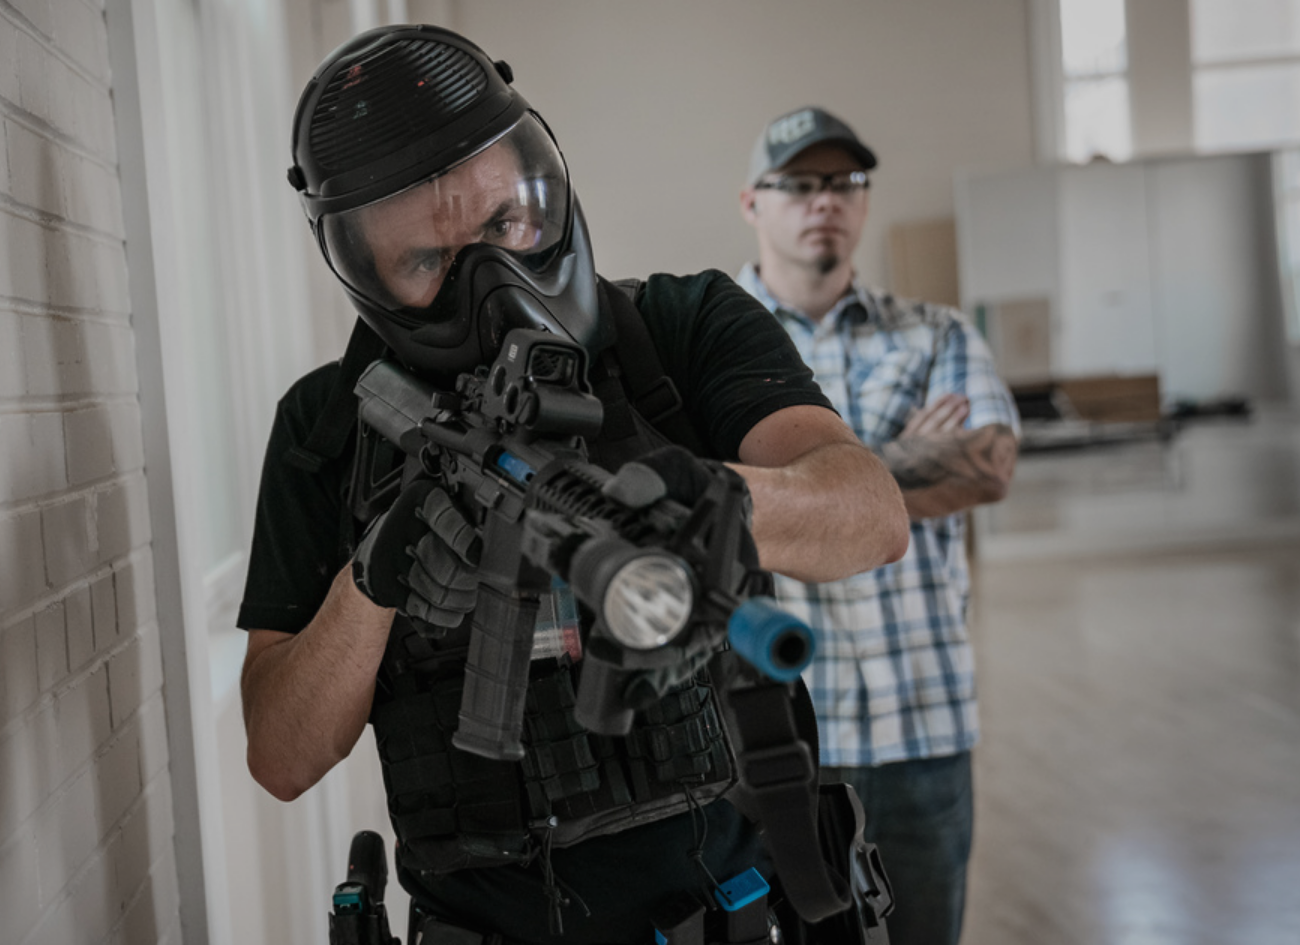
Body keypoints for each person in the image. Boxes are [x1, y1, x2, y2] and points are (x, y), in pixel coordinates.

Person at [236, 27, 910, 943]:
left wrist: (703, 498)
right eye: (428, 261)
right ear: (367, 274)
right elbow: (281, 756)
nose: (491, 278)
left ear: (544, 190)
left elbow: (871, 513)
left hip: (737, 919)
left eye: (504, 224)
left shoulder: (683, 326)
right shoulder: (326, 426)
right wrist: (373, 581)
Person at [733, 107, 1022, 945]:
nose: (824, 199)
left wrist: (797, 489)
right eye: (799, 183)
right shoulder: (707, 348)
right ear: (752, 202)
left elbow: (987, 465)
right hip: (770, 728)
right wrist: (899, 463)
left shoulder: (937, 334)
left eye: (844, 181)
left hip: (921, 724)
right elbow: (700, 499)